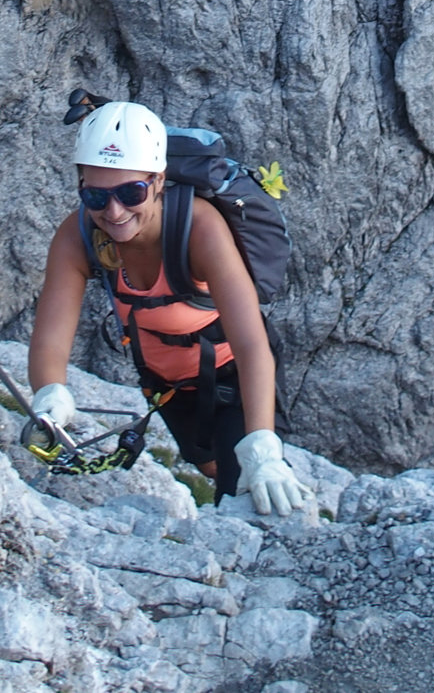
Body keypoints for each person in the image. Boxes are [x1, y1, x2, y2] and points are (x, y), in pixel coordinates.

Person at [26, 100, 312, 515]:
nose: (115, 211)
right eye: (96, 195)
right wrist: (50, 392)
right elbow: (51, 336)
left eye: (131, 192)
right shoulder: (79, 235)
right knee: (208, 464)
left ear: (158, 180)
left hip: (234, 377)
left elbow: (251, 344)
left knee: (244, 495)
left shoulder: (198, 228)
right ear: (80, 184)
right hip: (167, 385)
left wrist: (264, 447)